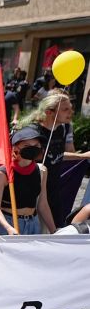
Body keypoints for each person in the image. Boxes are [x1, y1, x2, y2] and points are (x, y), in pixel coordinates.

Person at [25, 91, 89, 227]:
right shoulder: (34, 134)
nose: (71, 112)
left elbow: (57, 155)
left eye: (71, 108)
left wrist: (82, 156)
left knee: (57, 229)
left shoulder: (61, 130)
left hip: (53, 192)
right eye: (66, 109)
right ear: (49, 112)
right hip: (32, 196)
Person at [0, 127, 56, 235]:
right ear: (15, 148)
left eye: (36, 145)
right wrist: (8, 227)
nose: (33, 148)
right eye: (27, 146)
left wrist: (54, 231)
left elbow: (42, 204)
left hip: (33, 223)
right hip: (7, 223)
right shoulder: (2, 174)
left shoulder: (42, 170)